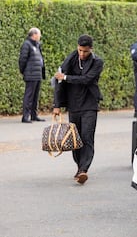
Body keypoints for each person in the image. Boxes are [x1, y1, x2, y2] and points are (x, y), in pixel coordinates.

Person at [53, 34, 104, 185]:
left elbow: (87, 79)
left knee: (87, 136)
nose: (82, 54)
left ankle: (84, 169)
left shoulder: (97, 62)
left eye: (85, 51)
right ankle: (79, 167)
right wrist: (57, 105)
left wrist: (66, 77)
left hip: (89, 104)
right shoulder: (70, 59)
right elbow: (58, 82)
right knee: (75, 139)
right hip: (73, 105)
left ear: (91, 49)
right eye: (80, 50)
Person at [18, 27, 46, 123]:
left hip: (37, 74)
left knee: (35, 96)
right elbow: (22, 60)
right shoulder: (27, 45)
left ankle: (34, 115)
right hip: (30, 74)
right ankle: (25, 116)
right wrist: (23, 71)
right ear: (34, 35)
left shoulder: (37, 45)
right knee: (29, 96)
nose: (40, 36)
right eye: (39, 34)